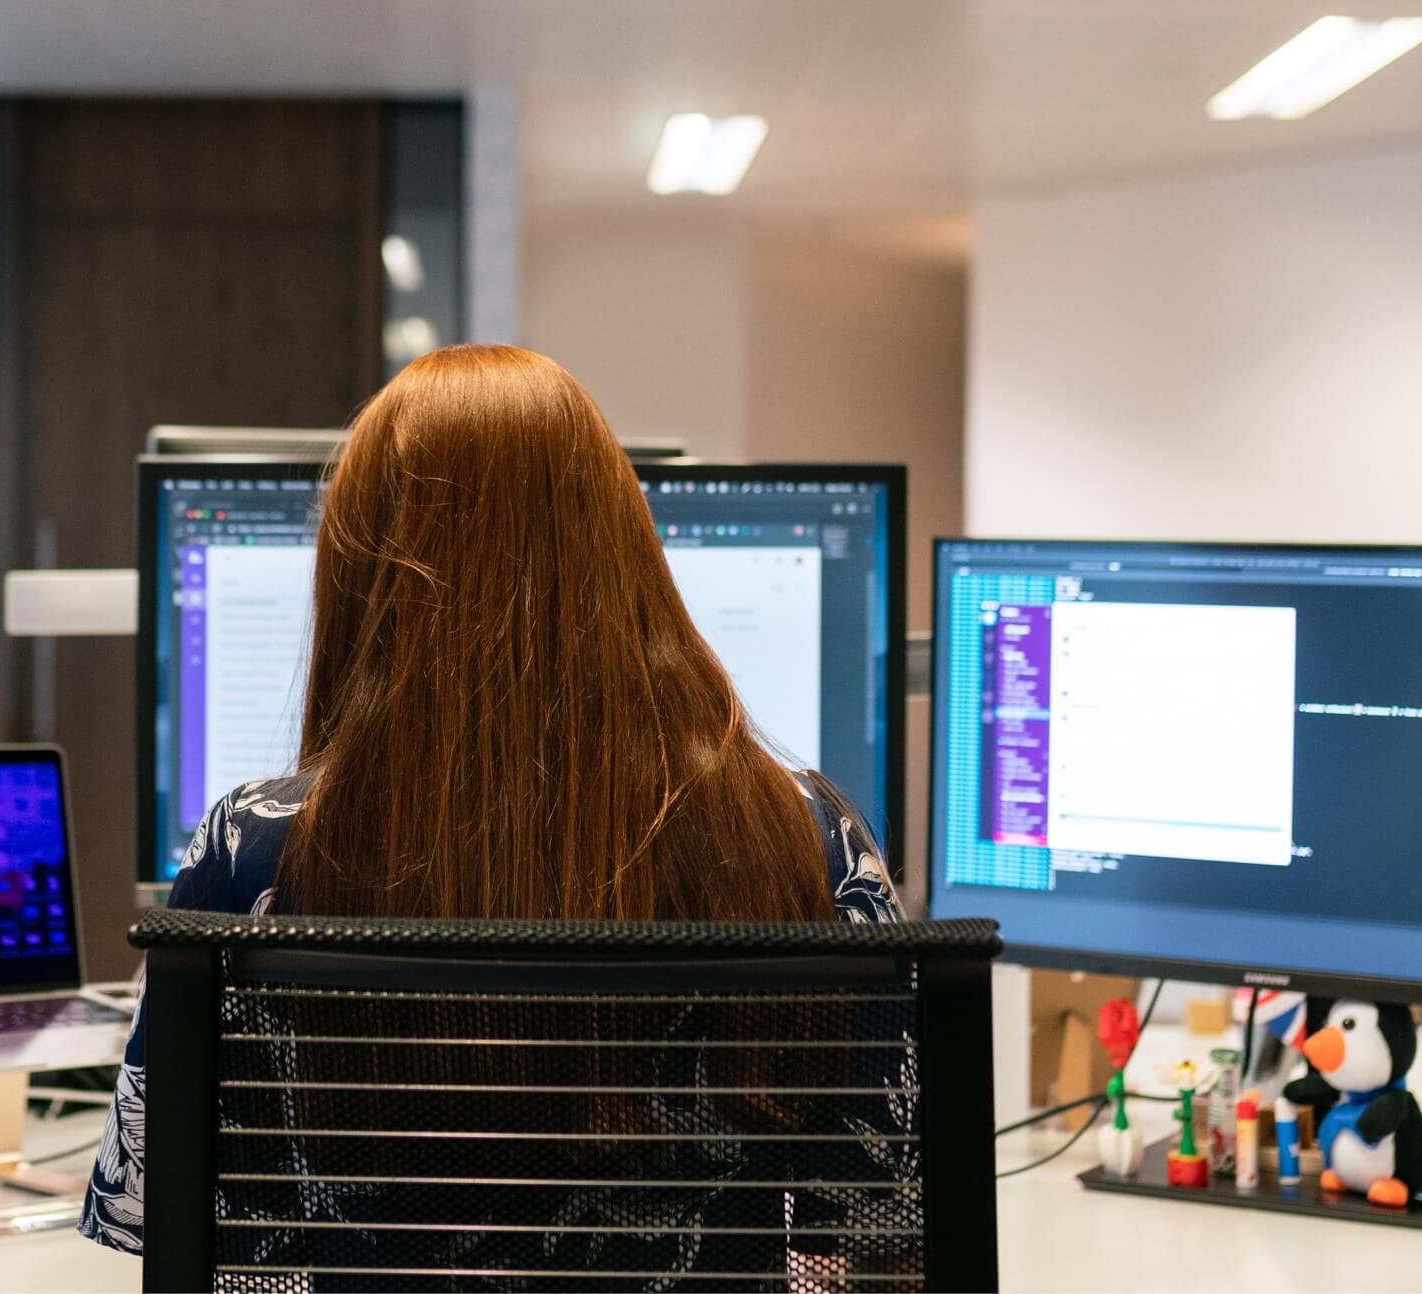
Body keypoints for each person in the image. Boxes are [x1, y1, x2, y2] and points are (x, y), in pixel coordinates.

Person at [80, 344, 901, 1255]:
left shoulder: (254, 847)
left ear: (361, 576)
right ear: (625, 550)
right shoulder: (808, 834)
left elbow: (154, 1207)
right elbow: (886, 1225)